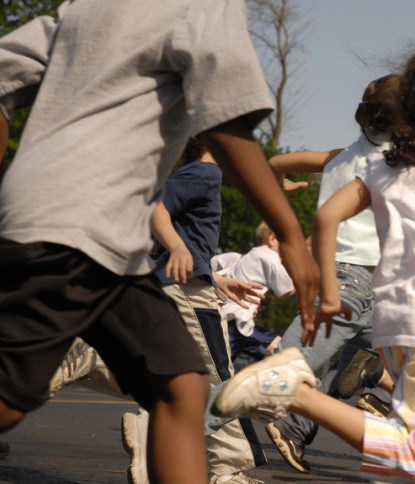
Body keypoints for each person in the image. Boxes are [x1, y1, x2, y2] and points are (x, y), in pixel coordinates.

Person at [0, 2, 318, 484]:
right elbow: (228, 122)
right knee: (12, 390)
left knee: (183, 383)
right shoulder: (203, 6)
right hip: (77, 224)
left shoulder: (89, 8)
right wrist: (290, 233)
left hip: (111, 244)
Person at [213, 34, 415, 483]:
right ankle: (297, 393)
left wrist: (329, 292)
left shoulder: (392, 162)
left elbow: (327, 217)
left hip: (395, 332)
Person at [261, 74, 402, 473]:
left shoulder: (336, 157)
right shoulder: (395, 163)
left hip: (350, 284)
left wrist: (281, 187)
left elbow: (272, 163)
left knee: (389, 372)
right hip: (354, 283)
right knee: (271, 380)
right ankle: (169, 420)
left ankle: (351, 397)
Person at [122, 139, 268, 484]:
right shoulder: (205, 173)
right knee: (217, 375)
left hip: (183, 284)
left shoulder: (197, 174)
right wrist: (176, 248)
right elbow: (155, 207)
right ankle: (229, 470)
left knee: (155, 368)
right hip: (188, 291)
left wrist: (216, 278)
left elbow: (183, 234)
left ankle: (78, 360)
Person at [212, 221, 295, 363]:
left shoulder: (243, 257)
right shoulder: (270, 257)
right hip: (235, 322)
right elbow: (286, 291)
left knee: (277, 346)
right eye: (285, 241)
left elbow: (212, 263)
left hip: (237, 323)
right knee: (218, 370)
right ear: (272, 239)